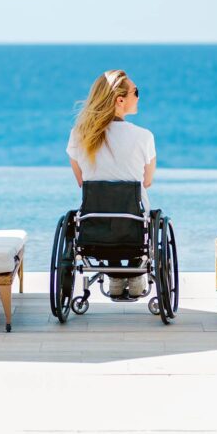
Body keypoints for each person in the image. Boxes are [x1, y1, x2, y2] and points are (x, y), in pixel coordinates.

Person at [66, 69, 156, 298]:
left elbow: (81, 181)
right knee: (141, 213)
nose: (139, 96)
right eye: (136, 92)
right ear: (120, 100)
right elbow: (147, 181)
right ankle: (135, 272)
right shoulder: (144, 137)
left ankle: (115, 277)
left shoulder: (79, 135)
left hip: (94, 225)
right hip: (134, 224)